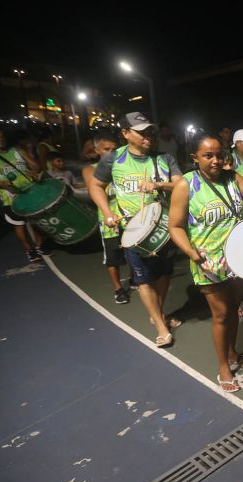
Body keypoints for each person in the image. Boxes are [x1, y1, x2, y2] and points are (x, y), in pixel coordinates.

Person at [169, 133, 243, 392]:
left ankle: (233, 352)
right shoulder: (186, 185)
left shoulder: (234, 178)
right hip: (207, 260)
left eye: (219, 154)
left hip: (238, 256)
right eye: (207, 155)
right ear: (195, 158)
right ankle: (224, 366)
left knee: (233, 308)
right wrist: (191, 253)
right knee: (221, 314)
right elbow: (175, 226)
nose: (215, 160)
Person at [90, 112, 183, 347]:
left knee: (164, 274)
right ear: (125, 134)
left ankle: (159, 314)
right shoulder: (113, 159)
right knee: (143, 280)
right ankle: (161, 326)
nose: (147, 136)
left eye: (149, 131)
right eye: (140, 132)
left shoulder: (164, 158)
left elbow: (181, 185)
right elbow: (96, 186)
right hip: (134, 231)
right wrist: (108, 212)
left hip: (164, 227)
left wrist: (159, 184)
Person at [82, 131, 131, 304]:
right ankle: (118, 289)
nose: (111, 153)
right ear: (96, 150)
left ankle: (134, 278)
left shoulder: (124, 165)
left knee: (133, 248)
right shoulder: (90, 170)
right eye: (106, 149)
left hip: (128, 216)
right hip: (109, 219)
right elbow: (93, 189)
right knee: (113, 256)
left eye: (114, 149)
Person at [0, 128, 47, 262]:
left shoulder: (16, 151)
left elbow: (36, 165)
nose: (0, 139)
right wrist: (2, 183)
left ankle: (39, 246)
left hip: (30, 190)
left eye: (1, 136)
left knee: (35, 220)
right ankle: (29, 250)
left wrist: (34, 170)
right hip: (11, 196)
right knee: (20, 225)